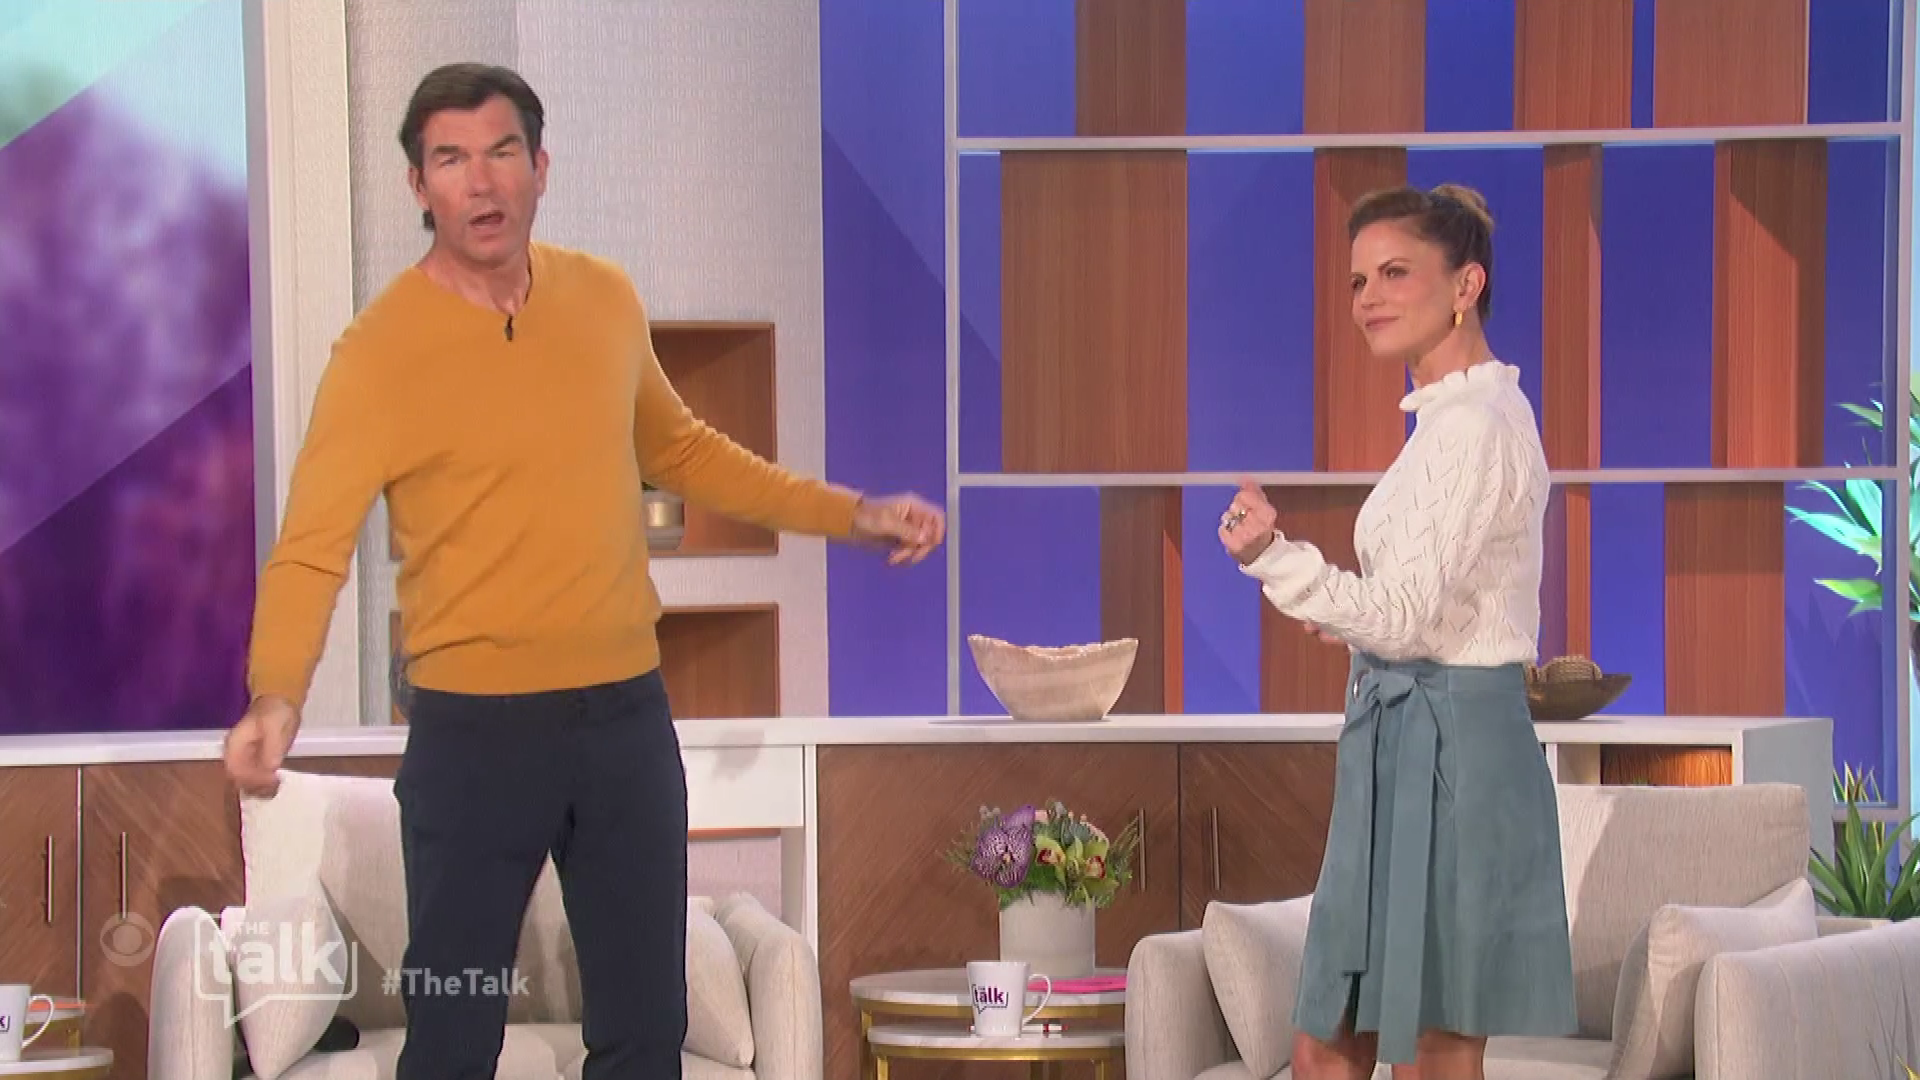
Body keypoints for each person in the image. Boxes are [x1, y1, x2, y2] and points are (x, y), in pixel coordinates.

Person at [221, 62, 945, 1080]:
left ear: (541, 166)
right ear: (418, 185)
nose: (481, 181)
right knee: (453, 1037)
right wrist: (275, 695)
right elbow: (312, 545)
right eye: (451, 160)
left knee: (645, 1032)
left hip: (623, 724)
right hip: (472, 738)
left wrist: (850, 514)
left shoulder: (602, 298)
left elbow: (684, 451)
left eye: (502, 152)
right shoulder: (376, 354)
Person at [1216, 183, 1576, 1080]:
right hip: (1399, 737)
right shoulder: (1448, 422)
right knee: (1328, 1044)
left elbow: (1407, 616)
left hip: (1454, 750)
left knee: (1430, 1052)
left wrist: (1274, 558)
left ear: (1465, 285)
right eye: (1357, 280)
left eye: (1394, 273)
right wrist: (1354, 627)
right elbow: (1419, 607)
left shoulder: (1475, 427)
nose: (1367, 297)